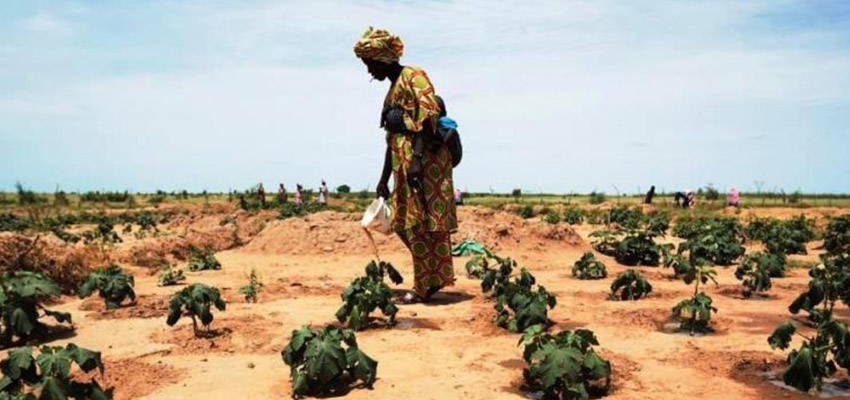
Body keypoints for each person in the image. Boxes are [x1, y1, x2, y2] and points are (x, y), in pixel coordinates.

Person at [355, 27, 457, 303]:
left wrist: (417, 160)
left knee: (418, 223)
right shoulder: (391, 92)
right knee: (402, 222)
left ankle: (425, 285)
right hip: (403, 165)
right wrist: (383, 179)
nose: (369, 71)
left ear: (384, 58)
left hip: (425, 163)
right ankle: (433, 276)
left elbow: (428, 120)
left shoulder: (414, 76)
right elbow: (392, 139)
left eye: (371, 63)